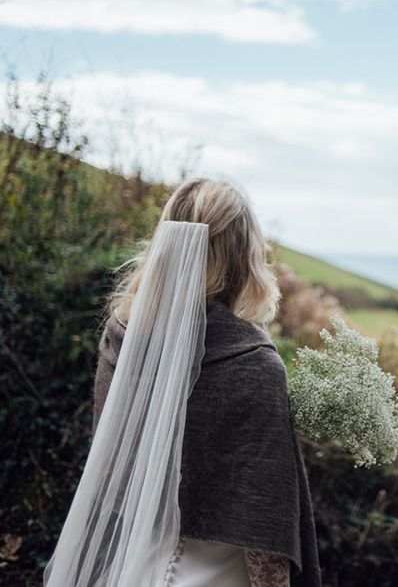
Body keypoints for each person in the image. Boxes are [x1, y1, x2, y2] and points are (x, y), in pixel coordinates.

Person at [45, 177, 321, 587]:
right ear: (242, 259)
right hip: (217, 573)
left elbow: (115, 473)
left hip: (133, 565)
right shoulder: (256, 364)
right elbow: (264, 521)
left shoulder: (123, 336)